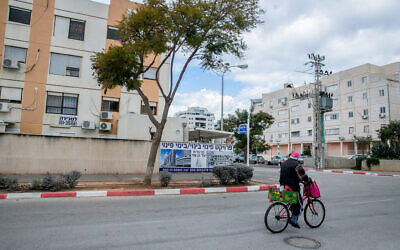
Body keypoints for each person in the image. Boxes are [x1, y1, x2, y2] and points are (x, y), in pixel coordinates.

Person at [279, 151, 311, 229]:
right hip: (292, 187)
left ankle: (292, 208)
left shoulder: (284, 163)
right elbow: (303, 176)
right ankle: (293, 219)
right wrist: (307, 180)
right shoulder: (297, 165)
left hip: (283, 185)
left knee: (293, 201)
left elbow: (289, 174)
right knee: (300, 205)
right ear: (297, 158)